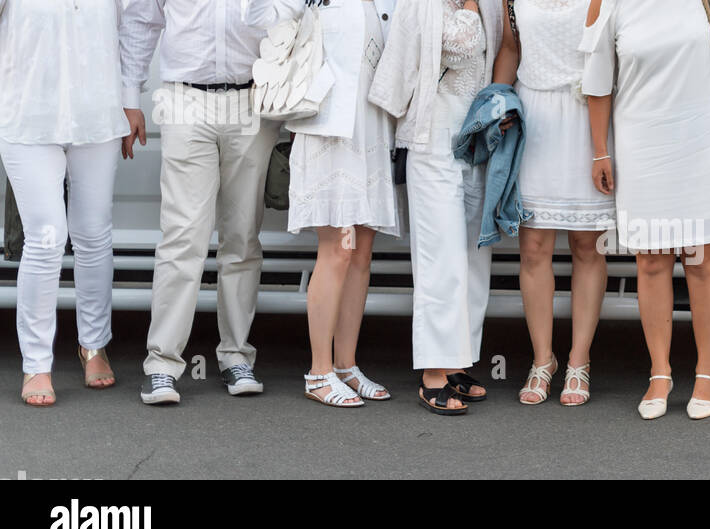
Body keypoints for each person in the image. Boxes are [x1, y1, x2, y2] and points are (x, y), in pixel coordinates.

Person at [581, 0, 710, 420]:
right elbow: (597, 80)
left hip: (702, 138)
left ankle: (708, 372)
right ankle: (660, 373)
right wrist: (600, 151)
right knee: (650, 262)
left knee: (702, 261)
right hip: (642, 142)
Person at [120, 0, 284, 405]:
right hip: (184, 100)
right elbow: (142, 20)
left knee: (243, 237)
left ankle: (236, 356)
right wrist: (130, 96)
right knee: (182, 236)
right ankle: (162, 364)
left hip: (252, 99)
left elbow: (290, 15)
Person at [244, 0, 400, 408]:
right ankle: (319, 371)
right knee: (338, 250)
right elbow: (260, 16)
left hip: (372, 125)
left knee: (361, 252)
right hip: (328, 127)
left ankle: (346, 365)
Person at [370, 0, 503, 416]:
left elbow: (502, 50)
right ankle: (433, 371)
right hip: (432, 136)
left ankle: (457, 361)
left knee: (474, 257)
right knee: (440, 257)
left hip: (477, 135)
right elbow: (459, 43)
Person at [0, 0, 130, 407]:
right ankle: (36, 363)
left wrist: (131, 99)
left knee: (93, 233)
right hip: (26, 118)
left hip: (98, 117)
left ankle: (94, 347)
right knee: (45, 237)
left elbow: (133, 33)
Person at [493, 0, 614, 407]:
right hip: (534, 118)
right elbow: (512, 48)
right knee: (534, 248)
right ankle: (542, 360)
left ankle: (580, 361)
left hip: (586, 119)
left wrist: (603, 148)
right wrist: (498, 101)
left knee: (586, 247)